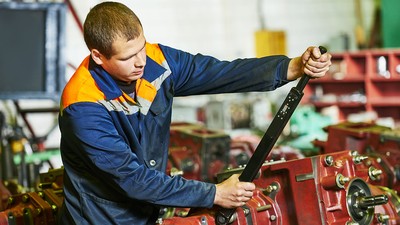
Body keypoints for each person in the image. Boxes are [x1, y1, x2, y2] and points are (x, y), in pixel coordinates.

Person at [57, 1, 331, 225]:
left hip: (148, 211)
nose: (141, 62)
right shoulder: (83, 106)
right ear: (98, 56)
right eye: (127, 57)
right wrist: (214, 194)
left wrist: (291, 67)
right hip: (101, 218)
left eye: (141, 47)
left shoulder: (158, 61)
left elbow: (218, 72)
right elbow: (133, 180)